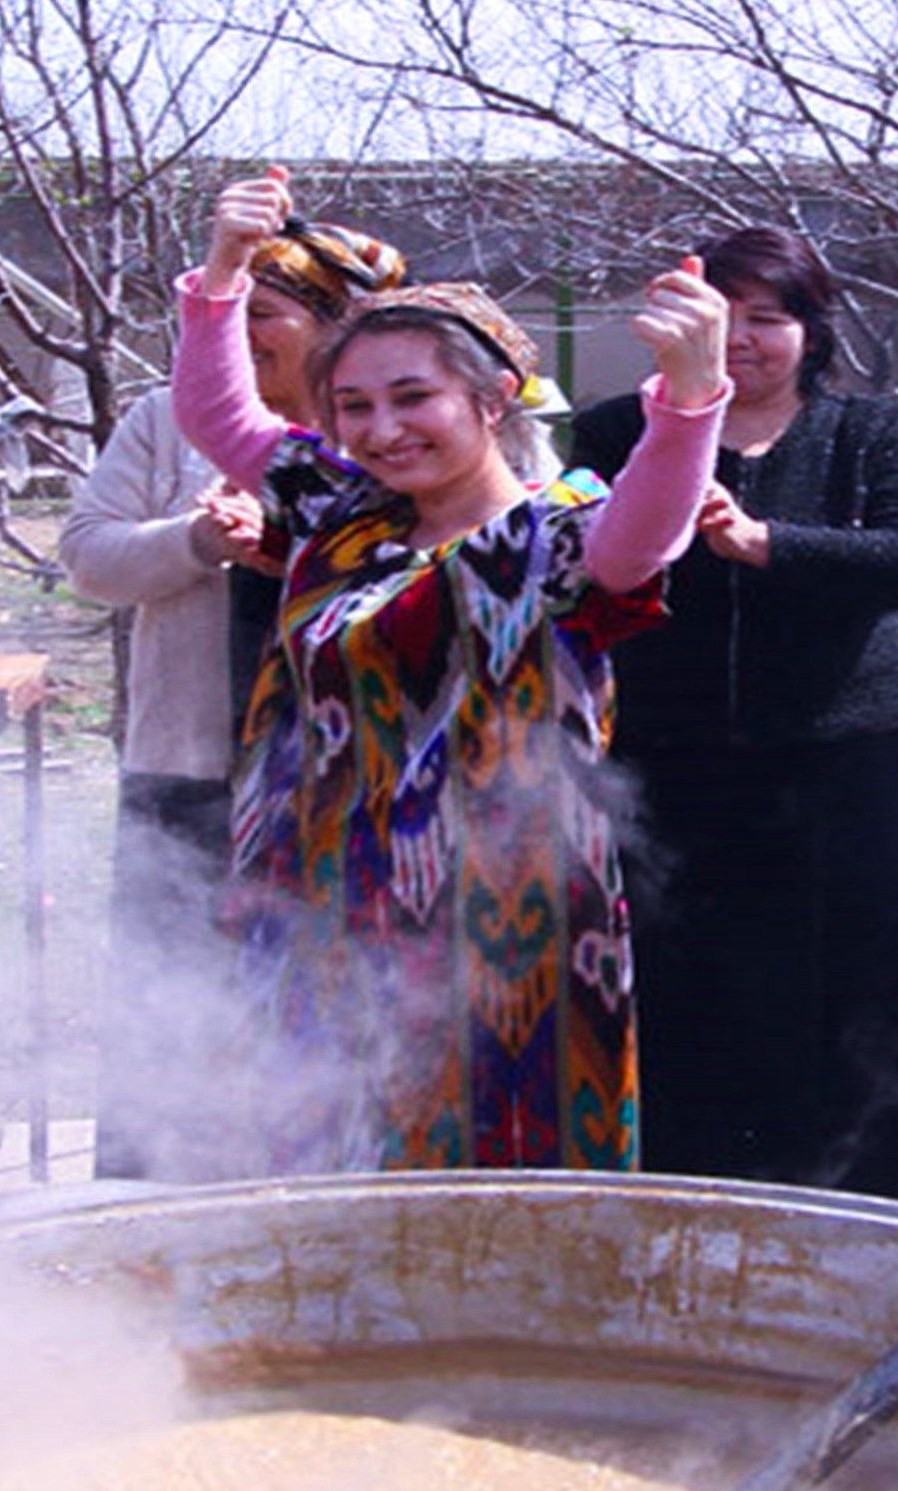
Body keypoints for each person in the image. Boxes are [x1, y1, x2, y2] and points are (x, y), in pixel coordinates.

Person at [176, 170, 725, 1170]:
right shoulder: (345, 511)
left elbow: (646, 538)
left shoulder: (554, 533)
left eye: (412, 397)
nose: (381, 429)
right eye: (353, 406)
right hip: (319, 900)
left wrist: (689, 400)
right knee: (316, 1151)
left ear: (493, 397)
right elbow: (220, 418)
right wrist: (221, 275)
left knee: (495, 1167)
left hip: (500, 927)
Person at [563, 226, 898, 1202]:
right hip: (674, 752)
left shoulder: (878, 430)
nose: (741, 339)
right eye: (720, 317)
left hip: (851, 753)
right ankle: (691, 1200)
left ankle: (882, 1211)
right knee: (692, 980)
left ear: (812, 331)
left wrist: (765, 543)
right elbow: (591, 566)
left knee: (862, 983)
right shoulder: (617, 429)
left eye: (768, 318)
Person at [65, 209, 407, 1179]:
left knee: (326, 1028)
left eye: (268, 313)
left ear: (337, 325)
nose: (247, 334)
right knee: (172, 1008)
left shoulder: (403, 431)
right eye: (239, 311)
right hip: (192, 767)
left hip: (351, 787)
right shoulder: (167, 418)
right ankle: (153, 1219)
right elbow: (88, 557)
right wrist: (196, 541)